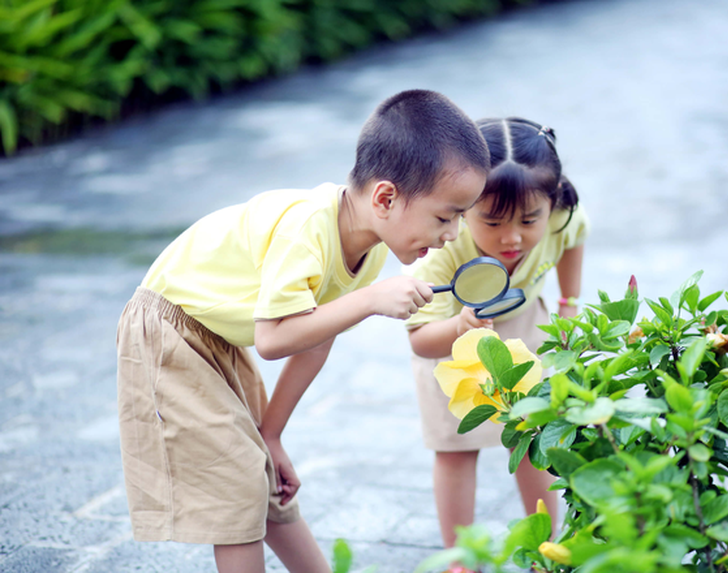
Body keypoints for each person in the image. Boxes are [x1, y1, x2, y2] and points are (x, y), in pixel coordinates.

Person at [115, 89, 490, 573]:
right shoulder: (308, 229)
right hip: (169, 332)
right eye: (446, 215)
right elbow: (273, 339)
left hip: (216, 337)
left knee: (263, 475)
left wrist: (272, 435)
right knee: (238, 483)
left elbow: (314, 339)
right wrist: (369, 301)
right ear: (386, 198)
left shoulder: (368, 244)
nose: (454, 234)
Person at [406, 117, 590, 561]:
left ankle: (546, 546)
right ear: (462, 208)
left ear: (553, 202)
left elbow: (574, 238)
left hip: (526, 325)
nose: (512, 237)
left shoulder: (564, 214)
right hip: (453, 346)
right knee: (455, 452)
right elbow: (419, 339)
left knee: (533, 439)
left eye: (530, 219)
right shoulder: (440, 249)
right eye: (492, 221)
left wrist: (569, 303)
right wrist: (457, 329)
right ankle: (461, 559)